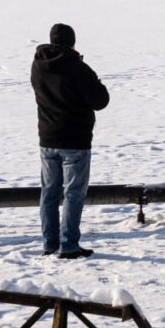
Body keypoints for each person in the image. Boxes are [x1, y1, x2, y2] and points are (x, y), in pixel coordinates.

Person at [31, 23, 110, 258]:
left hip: (47, 138)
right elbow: (100, 100)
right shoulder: (77, 68)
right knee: (73, 194)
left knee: (49, 193)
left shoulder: (38, 65)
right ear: (72, 42)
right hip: (75, 140)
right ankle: (69, 245)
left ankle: (50, 243)